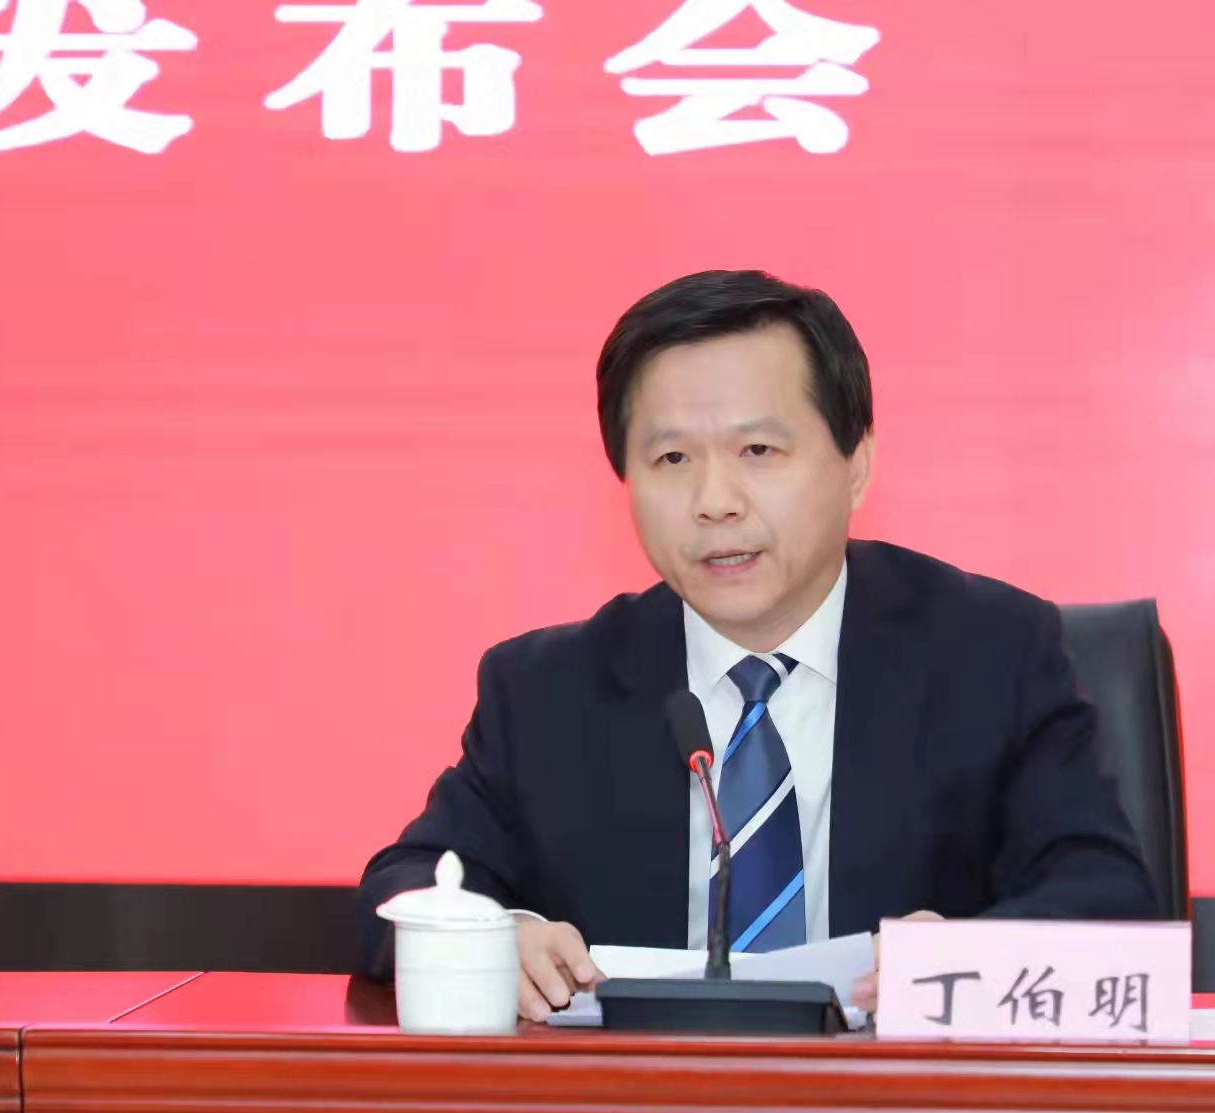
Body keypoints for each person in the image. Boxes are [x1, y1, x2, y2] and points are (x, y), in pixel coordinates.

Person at [357, 270, 1157, 1019]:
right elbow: (400, 890)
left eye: (758, 452)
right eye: (672, 458)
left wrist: (964, 960)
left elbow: (1106, 897)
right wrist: (494, 937)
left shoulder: (989, 653)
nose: (715, 501)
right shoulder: (546, 690)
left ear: (856, 465)